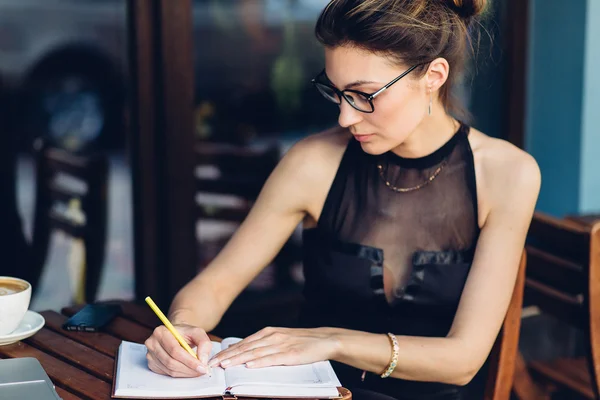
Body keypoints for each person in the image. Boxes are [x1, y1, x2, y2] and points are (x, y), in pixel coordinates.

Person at [144, 0, 541, 399]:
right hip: (317, 392)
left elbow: (463, 360)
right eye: (337, 94)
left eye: (364, 95)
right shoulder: (313, 163)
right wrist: (180, 327)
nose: (345, 118)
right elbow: (214, 286)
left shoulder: (507, 174)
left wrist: (331, 341)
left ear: (434, 76)